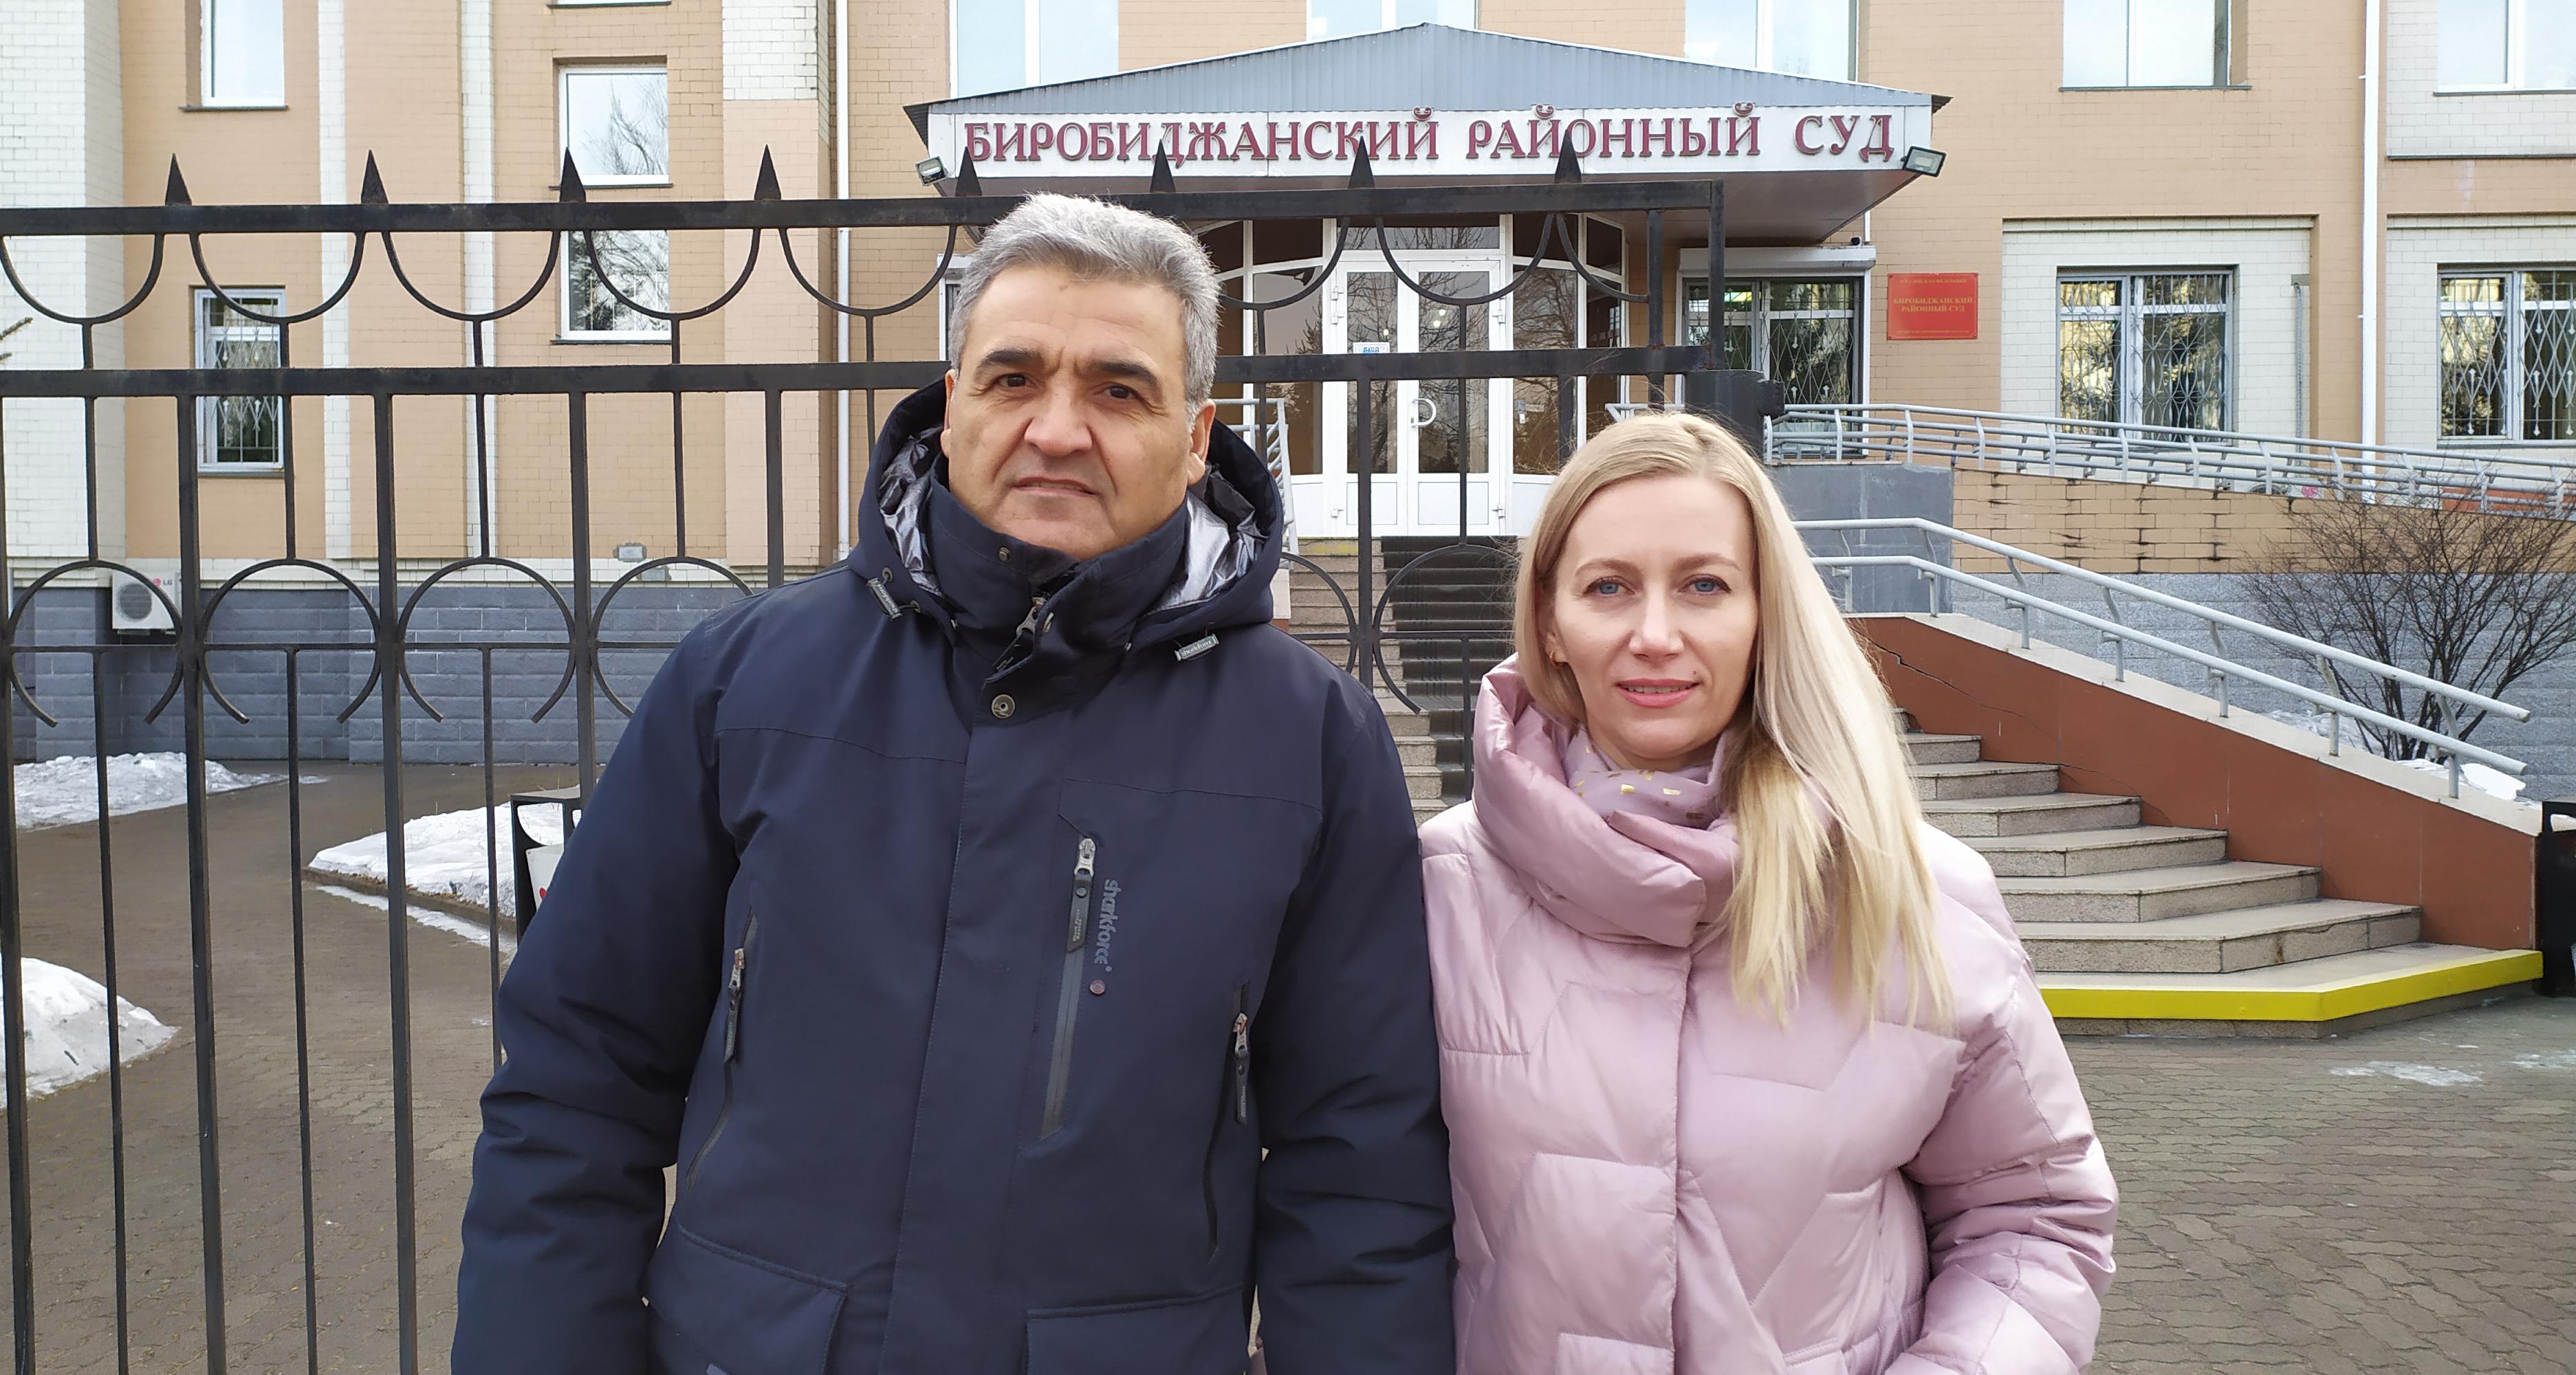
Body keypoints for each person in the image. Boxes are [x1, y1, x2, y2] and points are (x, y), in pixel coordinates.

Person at [454, 195, 1455, 1374]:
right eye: (1013, 378)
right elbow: (577, 1081)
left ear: (1197, 439)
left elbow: (1360, 1169)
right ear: (952, 405)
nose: (1057, 430)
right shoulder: (747, 683)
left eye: (1119, 391)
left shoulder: (1309, 740)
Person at [1423, 413, 2118, 1374]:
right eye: (1609, 587)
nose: (1655, 635)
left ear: (1764, 613)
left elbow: (2034, 1219)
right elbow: (1355, 1222)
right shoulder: (1439, 891)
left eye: (1704, 585)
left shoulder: (1916, 895)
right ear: (1550, 621)